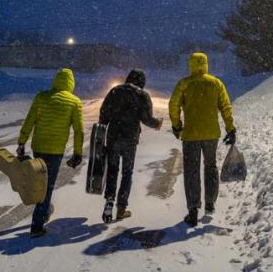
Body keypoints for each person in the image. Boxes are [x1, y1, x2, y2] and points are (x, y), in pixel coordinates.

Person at [168, 52, 236, 227]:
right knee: (210, 167)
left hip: (191, 135)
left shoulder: (184, 84)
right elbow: (225, 107)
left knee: (192, 171)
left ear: (191, 64)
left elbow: (173, 105)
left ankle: (193, 209)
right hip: (211, 134)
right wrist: (230, 128)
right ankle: (210, 203)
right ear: (206, 64)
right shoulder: (215, 83)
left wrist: (177, 125)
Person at [17, 67, 84, 237]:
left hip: (38, 147)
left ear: (56, 81)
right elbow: (79, 131)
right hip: (55, 150)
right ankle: (37, 225)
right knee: (47, 186)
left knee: (41, 181)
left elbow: (29, 120)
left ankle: (44, 212)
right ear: (71, 84)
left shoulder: (41, 97)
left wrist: (21, 142)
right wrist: (77, 153)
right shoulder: (74, 102)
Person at [98, 68, 163, 222]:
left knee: (113, 170)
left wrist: (103, 126)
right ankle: (121, 208)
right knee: (127, 173)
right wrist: (157, 123)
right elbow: (146, 118)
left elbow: (104, 113)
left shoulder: (115, 91)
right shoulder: (142, 95)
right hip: (130, 139)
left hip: (113, 137)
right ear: (142, 81)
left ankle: (109, 201)